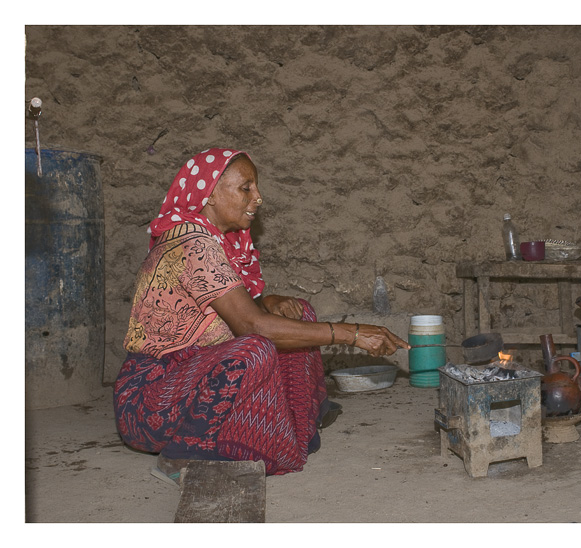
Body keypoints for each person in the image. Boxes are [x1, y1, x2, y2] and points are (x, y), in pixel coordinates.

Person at [113, 147, 409, 483]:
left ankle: (304, 416)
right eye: (246, 188)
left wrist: (266, 301)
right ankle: (184, 455)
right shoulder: (192, 244)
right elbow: (249, 325)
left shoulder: (213, 243)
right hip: (150, 403)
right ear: (209, 194)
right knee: (255, 347)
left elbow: (224, 310)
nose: (258, 198)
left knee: (298, 314)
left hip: (188, 381)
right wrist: (351, 333)